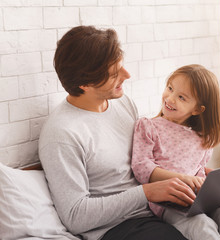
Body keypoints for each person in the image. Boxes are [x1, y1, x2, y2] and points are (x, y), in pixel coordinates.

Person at [38, 25, 193, 240]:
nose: (127, 75)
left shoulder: (123, 104)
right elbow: (75, 217)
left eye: (122, 66)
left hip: (158, 211)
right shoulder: (62, 134)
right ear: (85, 84)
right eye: (114, 74)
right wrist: (147, 193)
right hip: (121, 228)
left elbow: (149, 158)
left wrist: (195, 174)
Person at [131, 64, 220, 240]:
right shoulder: (148, 126)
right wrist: (183, 179)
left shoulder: (202, 138)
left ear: (197, 109)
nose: (170, 98)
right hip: (168, 200)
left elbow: (199, 170)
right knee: (201, 224)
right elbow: (141, 167)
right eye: (170, 88)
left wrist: (213, 182)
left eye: (182, 97)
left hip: (199, 197)